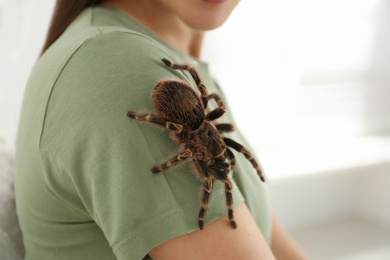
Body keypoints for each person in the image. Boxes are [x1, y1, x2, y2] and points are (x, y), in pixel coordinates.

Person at [14, 0, 310, 259]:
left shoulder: (177, 62)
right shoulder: (121, 66)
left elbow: (266, 236)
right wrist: (201, 204)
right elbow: (187, 163)